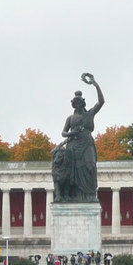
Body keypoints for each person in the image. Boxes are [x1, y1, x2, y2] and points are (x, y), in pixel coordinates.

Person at [51, 73, 105, 203]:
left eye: (79, 102)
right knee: (73, 172)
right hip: (73, 146)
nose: (78, 105)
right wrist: (71, 134)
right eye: (75, 103)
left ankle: (90, 195)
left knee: (90, 167)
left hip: (86, 143)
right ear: (73, 105)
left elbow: (101, 102)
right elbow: (63, 133)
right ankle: (72, 196)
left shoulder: (90, 114)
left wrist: (95, 84)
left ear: (82, 103)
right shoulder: (70, 118)